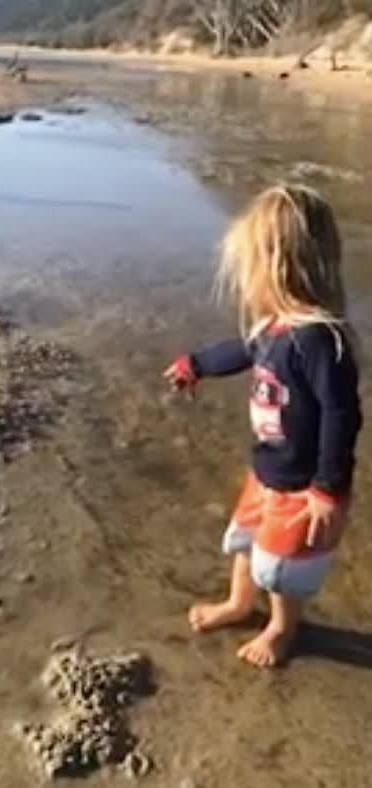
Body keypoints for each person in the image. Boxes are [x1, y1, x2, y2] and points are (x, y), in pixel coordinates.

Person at [164, 185, 362, 668]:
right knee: (247, 540)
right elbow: (241, 349)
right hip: (267, 471)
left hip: (303, 487)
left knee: (282, 568)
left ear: (278, 267)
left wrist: (327, 488)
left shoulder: (319, 341)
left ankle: (281, 627)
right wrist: (196, 364)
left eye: (248, 268)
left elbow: (342, 415)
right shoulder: (274, 329)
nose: (243, 281)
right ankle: (238, 603)